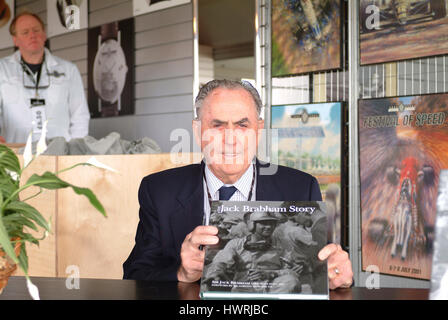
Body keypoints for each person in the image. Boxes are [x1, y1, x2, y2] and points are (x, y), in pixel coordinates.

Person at [123, 79, 353, 290]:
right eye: (217, 126)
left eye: (243, 125)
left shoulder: (300, 187)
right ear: (197, 130)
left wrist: (337, 276)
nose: (230, 139)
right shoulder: (159, 190)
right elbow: (134, 275)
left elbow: (322, 269)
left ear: (259, 130)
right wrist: (182, 273)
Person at [0, 11, 90, 143]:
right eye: (25, 32)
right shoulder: (2, 69)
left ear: (44, 34)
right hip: (16, 154)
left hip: (59, 154)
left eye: (36, 30)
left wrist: (75, 151)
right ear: (15, 40)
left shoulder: (68, 70)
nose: (32, 35)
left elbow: (80, 115)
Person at [202, 211, 301, 294]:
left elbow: (293, 271)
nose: (269, 227)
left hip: (273, 286)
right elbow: (220, 262)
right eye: (264, 223)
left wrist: (271, 274)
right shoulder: (236, 244)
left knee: (291, 281)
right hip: (244, 286)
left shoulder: (282, 245)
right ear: (252, 225)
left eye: (272, 223)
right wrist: (215, 273)